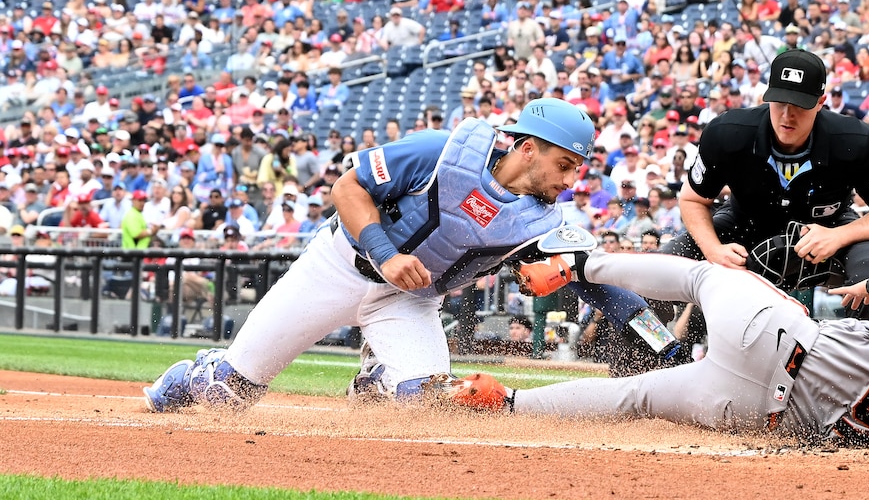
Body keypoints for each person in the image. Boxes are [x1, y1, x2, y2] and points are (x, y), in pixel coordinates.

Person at [142, 98, 675, 412]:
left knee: (430, 401)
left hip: (409, 301)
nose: (570, 181)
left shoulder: (540, 222)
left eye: (577, 170)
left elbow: (599, 286)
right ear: (527, 148)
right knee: (227, 394)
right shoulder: (442, 150)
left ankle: (380, 377)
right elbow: (348, 188)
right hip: (337, 267)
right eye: (564, 165)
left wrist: (667, 348)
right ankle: (195, 375)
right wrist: (385, 254)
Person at [475, 250, 869, 445]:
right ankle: (507, 403)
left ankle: (574, 266)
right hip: (750, 411)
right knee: (637, 397)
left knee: (702, 276)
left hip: (776, 342)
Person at [665, 49, 869, 310]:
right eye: (780, 102)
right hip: (743, 223)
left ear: (820, 102)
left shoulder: (854, 140)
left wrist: (839, 236)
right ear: (766, 97)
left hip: (830, 226)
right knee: (667, 264)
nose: (787, 115)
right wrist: (713, 250)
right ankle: (661, 337)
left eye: (799, 104)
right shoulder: (727, 132)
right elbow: (692, 199)